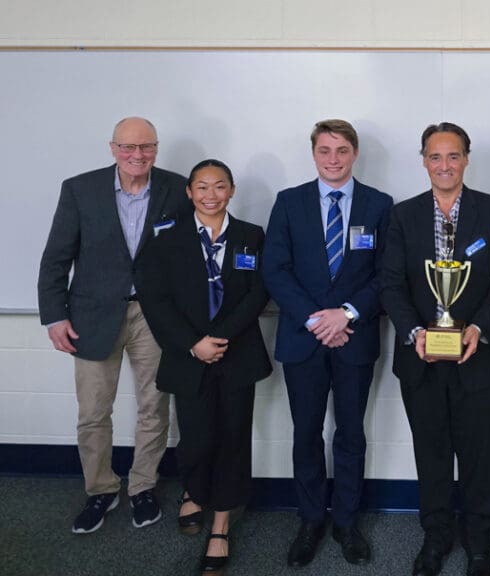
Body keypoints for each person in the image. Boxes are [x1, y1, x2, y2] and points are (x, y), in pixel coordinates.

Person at [380, 122, 490, 576]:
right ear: (423, 160)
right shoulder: (402, 216)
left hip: (479, 358)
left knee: (480, 456)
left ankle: (479, 544)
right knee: (432, 453)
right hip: (420, 358)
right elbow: (390, 284)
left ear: (466, 158)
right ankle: (436, 538)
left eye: (453, 155)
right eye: (435, 156)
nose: (445, 165)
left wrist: (479, 327)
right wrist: (413, 331)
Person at [37, 117, 190, 534]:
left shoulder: (178, 189)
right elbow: (56, 258)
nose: (137, 155)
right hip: (91, 316)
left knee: (153, 408)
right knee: (92, 412)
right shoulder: (80, 189)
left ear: (156, 148)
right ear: (112, 148)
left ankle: (142, 487)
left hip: (154, 317)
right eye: (128, 147)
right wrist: (54, 316)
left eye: (147, 147)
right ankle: (101, 490)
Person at [262, 119, 393, 568]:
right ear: (313, 154)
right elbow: (275, 269)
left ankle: (347, 522)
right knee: (306, 433)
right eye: (324, 150)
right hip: (305, 337)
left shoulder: (379, 204)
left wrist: (348, 314)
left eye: (341, 150)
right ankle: (311, 519)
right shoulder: (289, 202)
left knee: (351, 433)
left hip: (355, 337)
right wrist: (318, 319)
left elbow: (386, 274)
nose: (333, 159)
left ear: (354, 153)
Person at [138, 159, 272, 576]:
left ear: (231, 190)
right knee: (196, 437)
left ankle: (220, 524)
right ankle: (193, 492)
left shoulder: (251, 235)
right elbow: (155, 299)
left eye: (219, 187)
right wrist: (194, 344)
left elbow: (258, 293)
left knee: (233, 437)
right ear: (189, 192)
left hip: (237, 354)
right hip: (187, 355)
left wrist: (222, 337)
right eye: (202, 187)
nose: (211, 195)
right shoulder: (166, 238)